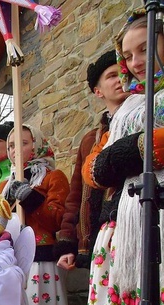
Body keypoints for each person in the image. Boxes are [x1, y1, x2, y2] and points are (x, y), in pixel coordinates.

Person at [75, 9, 164, 305]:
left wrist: (124, 153)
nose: (134, 63)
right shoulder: (130, 109)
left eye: (145, 49)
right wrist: (126, 152)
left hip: (155, 224)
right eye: (128, 55)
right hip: (121, 226)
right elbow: (94, 170)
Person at [55, 50, 129, 271]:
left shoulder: (147, 118)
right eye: (112, 75)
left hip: (137, 223)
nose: (120, 79)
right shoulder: (91, 141)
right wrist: (68, 242)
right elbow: (75, 195)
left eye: (123, 73)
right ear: (98, 91)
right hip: (101, 237)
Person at [1, 124, 71, 305]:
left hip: (40, 263)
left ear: (38, 146)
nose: (15, 151)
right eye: (11, 145)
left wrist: (31, 197)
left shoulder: (53, 178)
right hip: (11, 262)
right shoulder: (4, 185)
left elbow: (57, 219)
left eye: (23, 143)